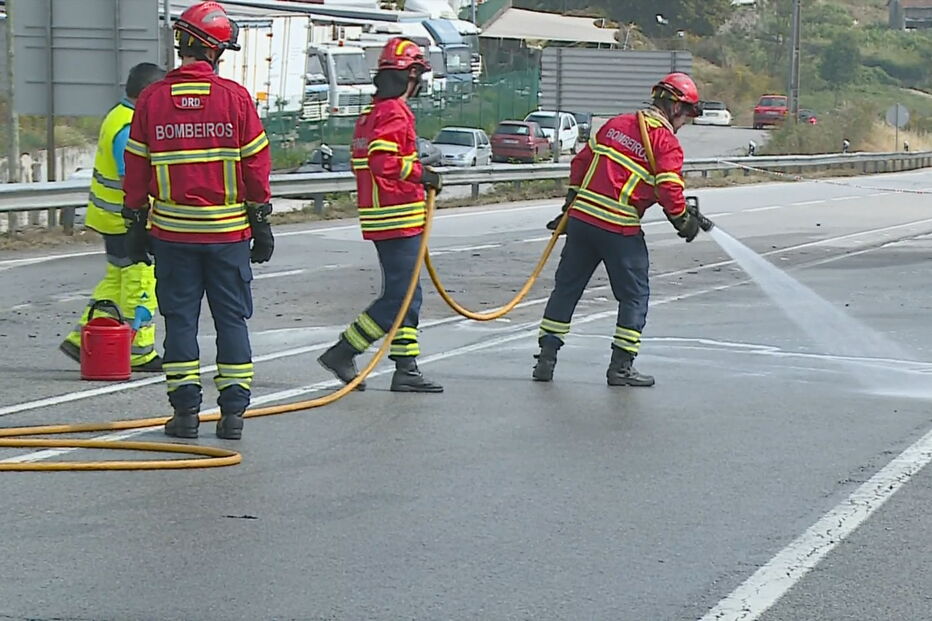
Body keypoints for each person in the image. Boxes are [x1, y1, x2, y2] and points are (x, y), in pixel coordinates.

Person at [122, 1, 273, 440]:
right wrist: (261, 221)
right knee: (231, 321)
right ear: (216, 49)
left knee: (181, 321)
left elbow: (136, 171)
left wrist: (135, 223)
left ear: (182, 43)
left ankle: (186, 415)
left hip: (172, 235)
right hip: (227, 236)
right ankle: (232, 416)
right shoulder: (235, 99)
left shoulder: (151, 100)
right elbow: (255, 169)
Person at [534, 72, 703, 386]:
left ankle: (546, 360)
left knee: (567, 289)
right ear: (676, 108)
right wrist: (683, 220)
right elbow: (668, 189)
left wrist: (571, 202)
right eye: (687, 115)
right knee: (635, 296)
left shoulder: (616, 124)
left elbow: (581, 163)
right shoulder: (665, 143)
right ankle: (621, 367)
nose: (685, 122)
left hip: (582, 221)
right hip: (619, 227)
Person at [317, 37, 443, 394]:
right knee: (399, 298)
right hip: (397, 216)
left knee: (409, 294)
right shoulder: (393, 112)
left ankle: (406, 366)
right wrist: (422, 174)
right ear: (412, 75)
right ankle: (344, 351)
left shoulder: (369, 115)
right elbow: (381, 161)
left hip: (383, 216)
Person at [60, 63, 166, 372]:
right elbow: (131, 178)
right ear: (147, 94)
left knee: (115, 281)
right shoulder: (131, 125)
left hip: (111, 218)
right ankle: (139, 352)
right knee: (140, 283)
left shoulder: (117, 115)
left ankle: (82, 340)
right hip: (127, 221)